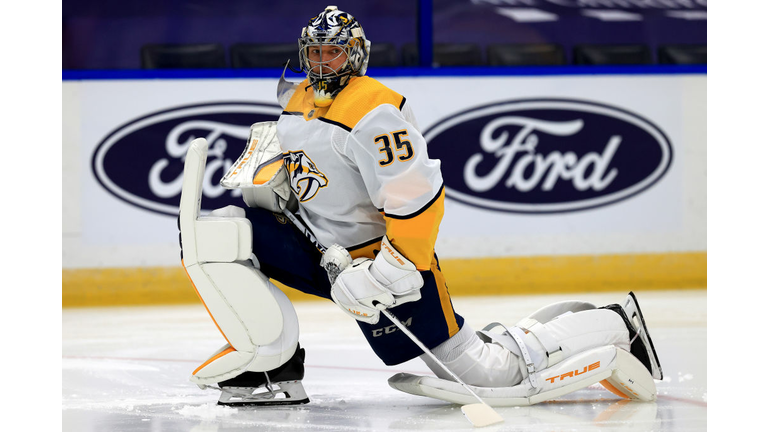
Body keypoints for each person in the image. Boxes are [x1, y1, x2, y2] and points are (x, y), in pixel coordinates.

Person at [177, 5, 663, 407]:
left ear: (356, 54)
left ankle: (614, 321)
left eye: (334, 52)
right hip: (327, 252)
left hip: (377, 262)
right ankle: (272, 368)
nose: (323, 63)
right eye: (315, 52)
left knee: (492, 377)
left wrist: (389, 270)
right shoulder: (298, 97)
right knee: (229, 235)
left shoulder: (375, 111)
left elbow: (418, 198)